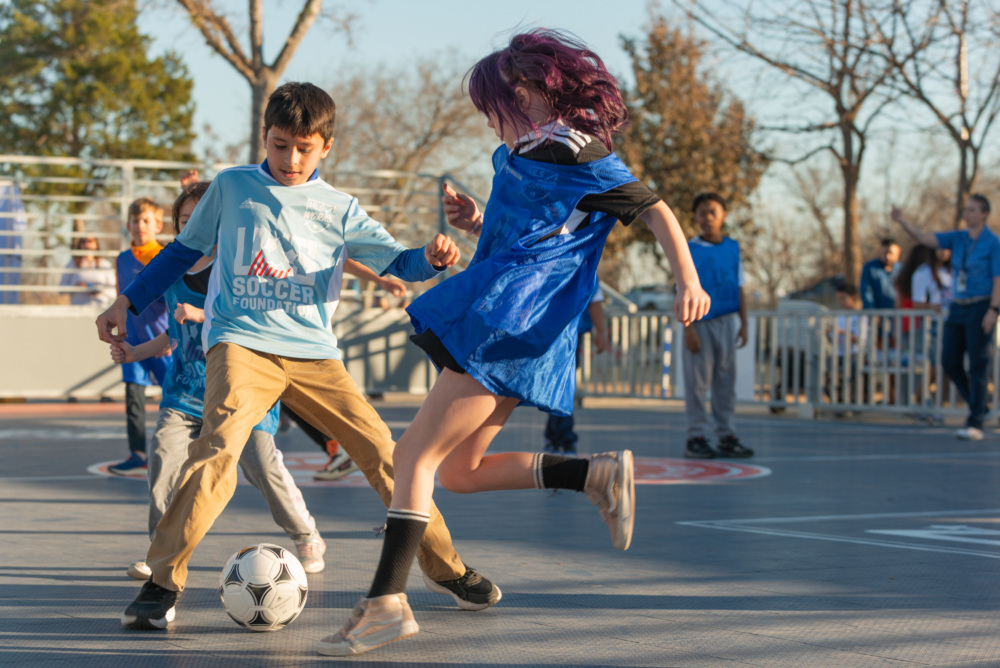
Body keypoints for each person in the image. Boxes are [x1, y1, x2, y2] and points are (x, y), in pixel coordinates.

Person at [320, 30, 710, 657]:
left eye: (496, 106)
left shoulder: (576, 151)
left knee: (412, 457)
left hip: (508, 321)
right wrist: (478, 219)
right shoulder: (521, 154)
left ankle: (386, 605)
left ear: (528, 93)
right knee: (459, 472)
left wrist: (687, 279)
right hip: (505, 312)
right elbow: (526, 235)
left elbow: (656, 209)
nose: (490, 120)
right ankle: (593, 474)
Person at [96, 82, 500, 631]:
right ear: (265, 136)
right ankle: (162, 581)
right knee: (215, 454)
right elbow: (183, 253)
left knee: (389, 455)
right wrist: (126, 300)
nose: (290, 159)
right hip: (241, 343)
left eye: (303, 148)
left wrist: (431, 259)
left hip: (313, 353)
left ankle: (445, 567)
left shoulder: (339, 207)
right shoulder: (234, 187)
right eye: (280, 144)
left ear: (326, 147)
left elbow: (397, 262)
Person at [110, 181, 327, 577]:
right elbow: (173, 337)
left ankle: (305, 533)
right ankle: (162, 553)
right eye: (185, 221)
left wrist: (206, 316)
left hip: (241, 393)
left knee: (261, 465)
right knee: (162, 456)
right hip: (186, 393)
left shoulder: (239, 266)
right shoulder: (171, 274)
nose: (194, 228)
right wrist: (135, 353)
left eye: (202, 220)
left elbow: (260, 322)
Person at [892, 195, 1000, 440]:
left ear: (984, 214)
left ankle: (975, 422)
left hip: (980, 305)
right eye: (966, 209)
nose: (967, 214)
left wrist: (993, 310)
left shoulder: (993, 243)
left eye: (972, 210)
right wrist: (903, 222)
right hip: (957, 306)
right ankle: (978, 404)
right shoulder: (958, 238)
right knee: (949, 360)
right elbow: (925, 239)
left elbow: (998, 279)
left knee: (977, 363)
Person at [682, 193, 752, 460]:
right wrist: (688, 328)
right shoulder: (689, 248)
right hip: (698, 323)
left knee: (726, 383)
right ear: (695, 218)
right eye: (702, 213)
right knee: (697, 384)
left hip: (726, 321)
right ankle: (695, 437)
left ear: (724, 215)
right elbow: (681, 289)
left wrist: (744, 323)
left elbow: (740, 287)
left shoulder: (733, 247)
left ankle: (726, 435)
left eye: (713, 212)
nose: (707, 218)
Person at [109, 198, 171, 475]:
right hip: (131, 339)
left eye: (146, 221)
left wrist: (173, 338)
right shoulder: (121, 260)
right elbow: (120, 297)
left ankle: (184, 446)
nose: (140, 226)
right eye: (135, 221)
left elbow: (173, 298)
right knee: (133, 396)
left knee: (174, 394)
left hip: (160, 340)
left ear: (158, 225)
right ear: (128, 225)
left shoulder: (166, 257)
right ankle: (136, 453)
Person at [543, 286, 608, 456]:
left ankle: (554, 435)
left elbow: (595, 301)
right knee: (561, 385)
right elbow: (595, 302)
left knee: (560, 384)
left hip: (568, 333)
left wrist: (601, 333)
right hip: (554, 331)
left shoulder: (585, 264)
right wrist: (600, 333)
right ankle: (564, 438)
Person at [60, 235, 116, 307]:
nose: (86, 245)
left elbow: (114, 291)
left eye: (90, 241)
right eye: (83, 242)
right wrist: (76, 287)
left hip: (101, 310)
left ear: (96, 245)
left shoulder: (105, 265)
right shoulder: (72, 264)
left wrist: (100, 290)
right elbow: (61, 289)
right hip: (78, 310)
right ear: (80, 245)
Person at [860, 237, 902, 310]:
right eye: (885, 253)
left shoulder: (902, 269)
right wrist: (872, 312)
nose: (888, 257)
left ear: (898, 252)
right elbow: (866, 291)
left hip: (898, 315)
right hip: (877, 315)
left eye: (891, 253)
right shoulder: (870, 268)